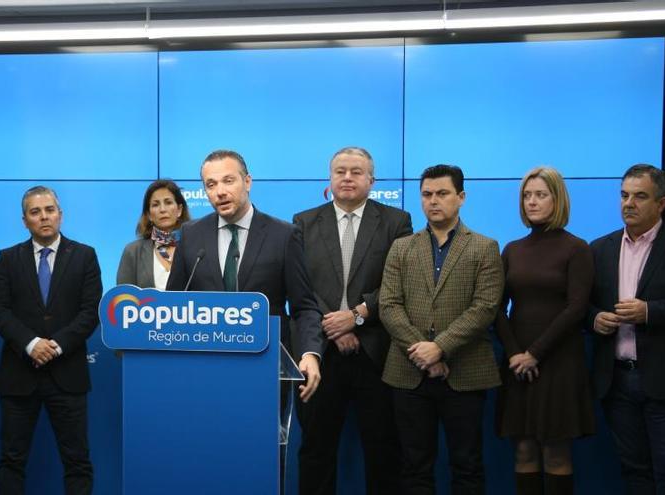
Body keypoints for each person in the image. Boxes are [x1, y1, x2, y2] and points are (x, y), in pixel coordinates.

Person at [292, 146, 411, 494]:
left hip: (375, 352)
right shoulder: (303, 222)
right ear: (329, 178)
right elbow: (300, 287)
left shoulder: (395, 222)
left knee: (384, 452)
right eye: (340, 170)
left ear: (371, 180)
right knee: (316, 450)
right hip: (319, 354)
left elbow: (397, 282)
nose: (347, 177)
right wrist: (333, 325)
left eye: (356, 171)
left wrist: (356, 318)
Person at [379, 164, 503, 495]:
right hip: (408, 373)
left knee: (467, 466)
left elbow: (485, 307)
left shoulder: (484, 247)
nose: (434, 201)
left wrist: (441, 347)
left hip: (465, 373)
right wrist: (424, 352)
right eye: (427, 194)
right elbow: (389, 305)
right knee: (414, 466)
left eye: (442, 194)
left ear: (461, 197)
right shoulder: (402, 247)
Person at [165, 149, 324, 402]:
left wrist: (309, 354)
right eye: (211, 184)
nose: (220, 191)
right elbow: (173, 304)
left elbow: (304, 307)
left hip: (267, 369)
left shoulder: (283, 235)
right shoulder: (192, 234)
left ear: (247, 182)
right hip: (205, 370)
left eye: (229, 180)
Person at [0, 185, 102, 495]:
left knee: (77, 461)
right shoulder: (7, 258)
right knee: (12, 460)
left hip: (68, 374)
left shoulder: (85, 256)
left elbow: (90, 311)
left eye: (49, 210)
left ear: (60, 215)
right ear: (25, 220)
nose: (44, 217)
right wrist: (31, 344)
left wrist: (55, 346)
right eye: (35, 212)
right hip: (19, 375)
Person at [494, 167, 595, 494]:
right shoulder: (512, 249)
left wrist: (534, 353)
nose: (532, 202)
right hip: (517, 364)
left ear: (558, 198)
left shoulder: (577, 248)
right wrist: (514, 354)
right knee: (523, 450)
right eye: (527, 195)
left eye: (540, 194)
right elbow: (496, 308)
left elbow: (576, 308)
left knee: (555, 452)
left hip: (558, 362)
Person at [588, 164, 665, 494]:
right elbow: (584, 306)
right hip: (617, 380)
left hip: (662, 382)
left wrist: (649, 311)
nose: (628, 203)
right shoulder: (600, 248)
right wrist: (594, 319)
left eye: (639, 196)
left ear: (661, 203)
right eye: (624, 195)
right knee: (634, 472)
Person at [117, 179, 190, 289]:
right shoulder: (133, 251)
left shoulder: (195, 248)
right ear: (149, 215)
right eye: (155, 205)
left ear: (179, 210)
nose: (162, 209)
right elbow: (123, 298)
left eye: (168, 202)